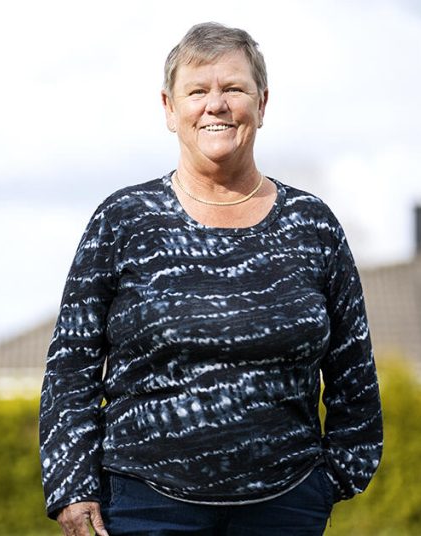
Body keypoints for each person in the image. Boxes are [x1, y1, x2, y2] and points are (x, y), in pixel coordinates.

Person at [39, 22, 383, 535]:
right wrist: (71, 483)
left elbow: (354, 369)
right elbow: (72, 365)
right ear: (169, 108)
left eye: (233, 89)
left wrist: (331, 481)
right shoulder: (124, 221)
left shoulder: (313, 226)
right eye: (197, 91)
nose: (215, 105)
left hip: (285, 508)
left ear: (262, 104)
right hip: (144, 507)